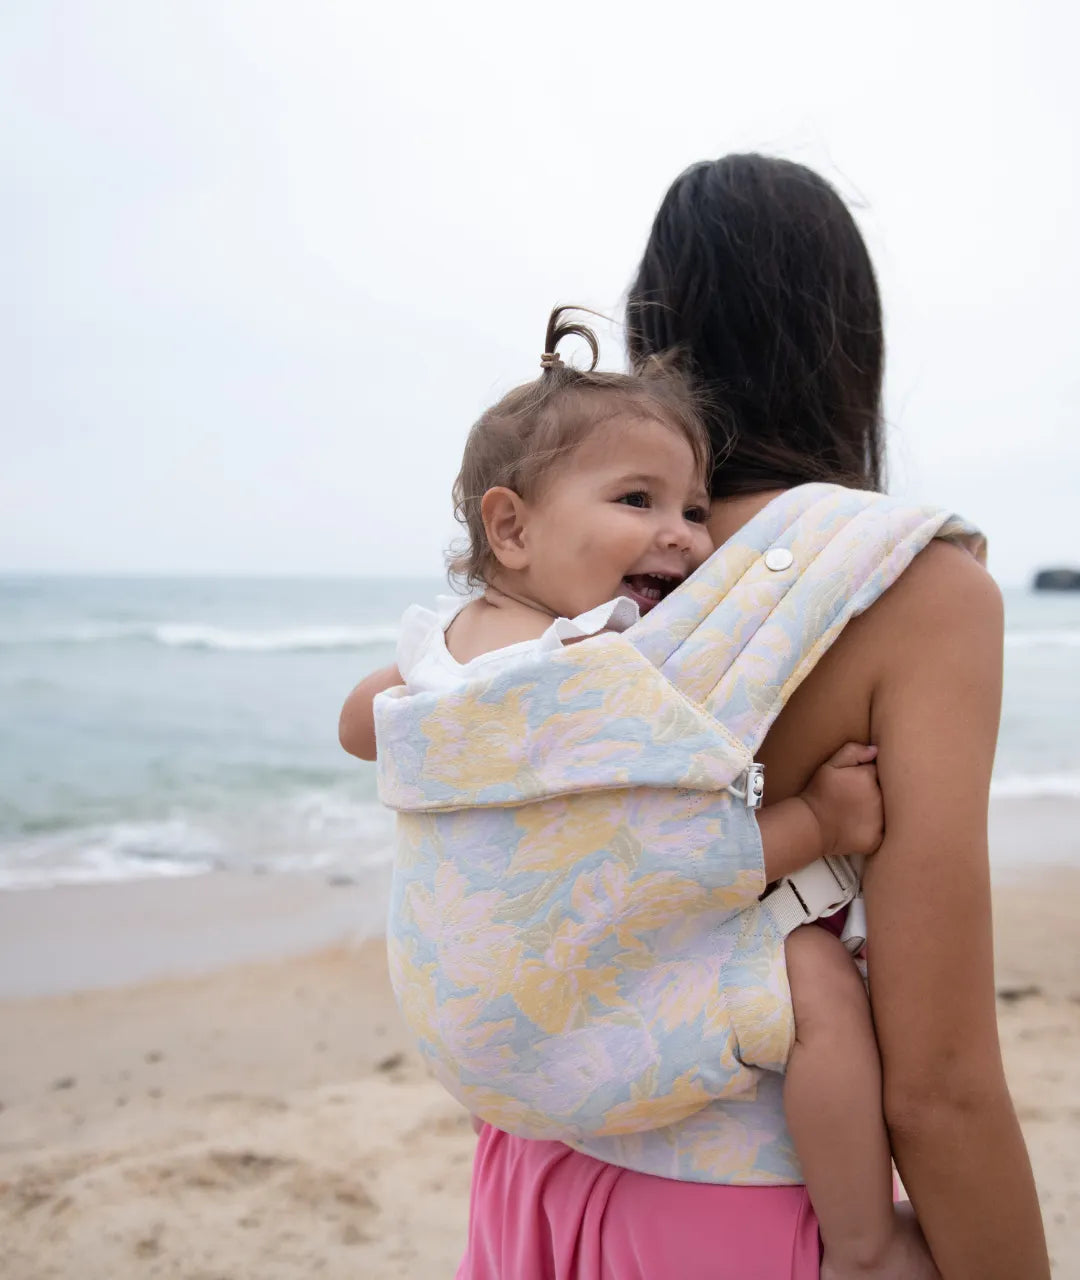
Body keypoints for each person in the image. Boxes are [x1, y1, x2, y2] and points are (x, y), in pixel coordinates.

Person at [437, 156, 1050, 1279]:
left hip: (541, 1164)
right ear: (849, 342)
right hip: (738, 1213)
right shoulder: (911, 587)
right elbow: (937, 1081)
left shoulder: (581, 561)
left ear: (657, 327)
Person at [340, 305, 941, 1278]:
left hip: (470, 1029)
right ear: (511, 524)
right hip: (569, 1011)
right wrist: (820, 819)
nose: (684, 536)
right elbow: (669, 852)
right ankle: (868, 1242)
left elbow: (361, 728)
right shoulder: (610, 661)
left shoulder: (438, 650)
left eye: (695, 509)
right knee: (817, 985)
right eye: (639, 500)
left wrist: (426, 704)